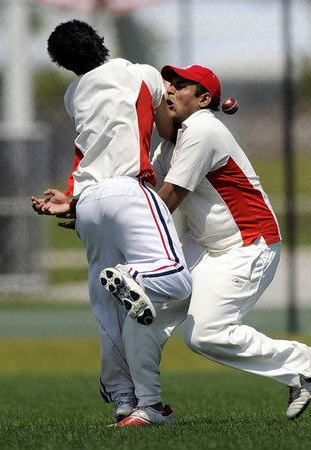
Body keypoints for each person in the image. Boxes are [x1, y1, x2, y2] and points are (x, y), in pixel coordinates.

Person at [31, 20, 192, 426]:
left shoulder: (74, 93)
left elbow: (89, 149)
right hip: (128, 190)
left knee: (110, 310)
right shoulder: (141, 73)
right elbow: (167, 129)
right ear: (99, 41)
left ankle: (128, 401)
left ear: (64, 64)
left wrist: (69, 201)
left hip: (87, 202)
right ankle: (130, 274)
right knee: (175, 279)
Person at [148, 64, 311, 421]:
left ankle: (300, 362)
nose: (169, 90)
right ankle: (143, 404)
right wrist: (81, 205)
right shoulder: (171, 145)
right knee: (143, 313)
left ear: (204, 100)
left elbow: (164, 201)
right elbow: (142, 195)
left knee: (205, 335)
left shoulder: (201, 129)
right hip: (204, 243)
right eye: (168, 83)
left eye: (180, 85)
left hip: (247, 244)